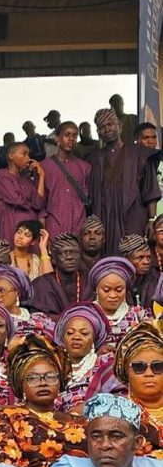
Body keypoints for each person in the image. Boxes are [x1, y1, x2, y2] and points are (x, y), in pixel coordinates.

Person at [0, 335, 86, 467]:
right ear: (21, 384)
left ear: (60, 382)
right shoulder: (8, 416)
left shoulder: (79, 421)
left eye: (51, 377)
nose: (43, 383)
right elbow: (4, 465)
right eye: (33, 378)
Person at [88, 107, 160, 255]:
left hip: (133, 217)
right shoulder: (94, 159)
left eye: (110, 124)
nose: (107, 129)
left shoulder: (139, 153)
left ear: (119, 126)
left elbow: (150, 190)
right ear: (98, 133)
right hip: (104, 219)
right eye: (102, 127)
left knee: (134, 259)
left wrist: (151, 220)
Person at [53, 301, 115, 410]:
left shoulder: (106, 365)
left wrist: (88, 407)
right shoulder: (52, 366)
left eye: (84, 333)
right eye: (70, 333)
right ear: (62, 338)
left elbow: (121, 398)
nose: (76, 337)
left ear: (94, 338)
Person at [41, 120, 91, 239]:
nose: (71, 139)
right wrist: (43, 234)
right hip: (54, 226)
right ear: (57, 138)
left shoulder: (85, 167)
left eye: (74, 135)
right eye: (67, 135)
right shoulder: (44, 166)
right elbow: (40, 203)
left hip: (79, 226)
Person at [112, 319, 163, 431]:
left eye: (158, 366)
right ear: (126, 372)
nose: (149, 373)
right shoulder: (112, 414)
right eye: (139, 367)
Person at [0, 142, 46, 246]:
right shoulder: (2, 175)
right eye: (24, 154)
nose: (28, 158)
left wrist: (41, 176)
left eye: (28, 154)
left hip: (30, 233)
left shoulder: (26, 180)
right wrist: (31, 206)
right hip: (11, 228)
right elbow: (17, 200)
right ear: (11, 156)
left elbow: (38, 204)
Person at [87, 255, 148, 338]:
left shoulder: (139, 315)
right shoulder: (86, 316)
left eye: (119, 290)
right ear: (97, 290)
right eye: (106, 290)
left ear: (126, 290)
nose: (113, 295)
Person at [28, 232, 86, 314]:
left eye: (74, 252)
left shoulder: (90, 282)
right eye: (63, 253)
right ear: (54, 259)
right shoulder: (40, 285)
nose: (69, 257)